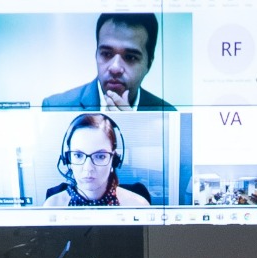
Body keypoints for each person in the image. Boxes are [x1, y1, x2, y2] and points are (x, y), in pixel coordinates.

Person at [42, 14, 173, 111]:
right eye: (106, 54)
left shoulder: (168, 114)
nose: (115, 68)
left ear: (149, 63)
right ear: (96, 54)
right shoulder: (55, 107)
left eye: (130, 57)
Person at [42, 113, 151, 208]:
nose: (88, 168)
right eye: (78, 155)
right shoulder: (52, 206)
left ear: (114, 160)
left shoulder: (138, 206)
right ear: (68, 159)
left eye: (100, 156)